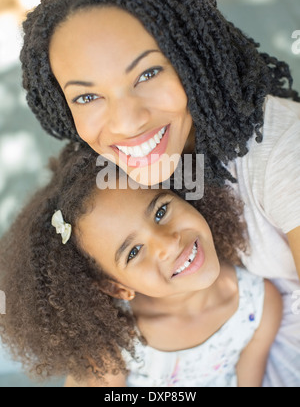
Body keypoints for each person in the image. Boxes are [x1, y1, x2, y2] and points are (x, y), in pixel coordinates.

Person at [20, 0, 300, 385]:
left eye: (148, 73)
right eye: (88, 96)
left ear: (192, 59)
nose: (128, 121)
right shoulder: (115, 177)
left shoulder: (284, 153)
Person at [0, 143, 282, 387]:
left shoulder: (259, 306)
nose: (168, 243)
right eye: (133, 252)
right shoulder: (113, 342)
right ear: (116, 287)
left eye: (160, 211)